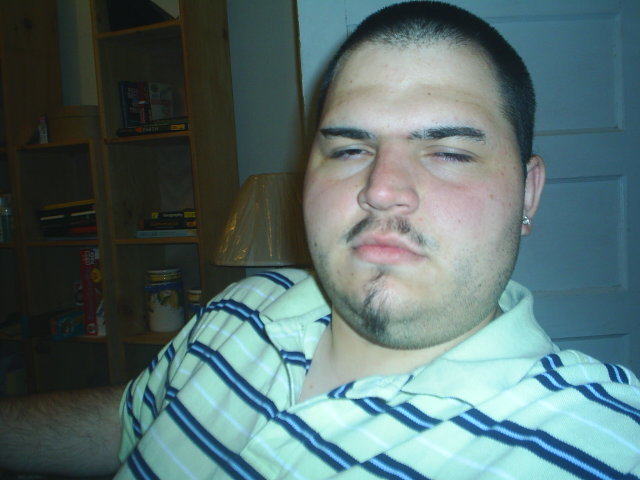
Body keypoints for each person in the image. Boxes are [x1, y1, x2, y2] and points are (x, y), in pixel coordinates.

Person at [2, 1, 639, 478]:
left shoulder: (597, 438)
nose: (381, 189)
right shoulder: (241, 307)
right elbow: (133, 421)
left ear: (527, 194)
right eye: (349, 148)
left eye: (449, 151)